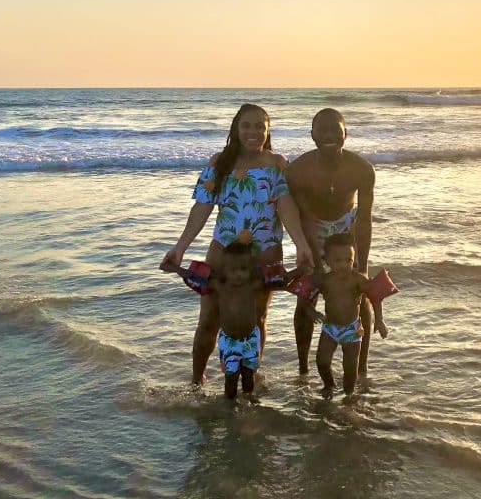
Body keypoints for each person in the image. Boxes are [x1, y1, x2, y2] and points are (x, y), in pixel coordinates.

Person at [160, 103, 313, 387]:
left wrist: (301, 244)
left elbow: (286, 206)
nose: (253, 131)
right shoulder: (220, 163)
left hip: (266, 248)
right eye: (246, 125)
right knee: (209, 316)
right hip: (224, 249)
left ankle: (249, 378)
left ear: (267, 131)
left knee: (257, 318)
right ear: (235, 129)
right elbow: (202, 207)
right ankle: (196, 381)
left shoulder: (276, 163)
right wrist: (180, 247)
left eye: (259, 126)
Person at [286, 108, 376, 375]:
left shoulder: (361, 169)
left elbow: (364, 219)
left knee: (359, 290)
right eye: (321, 130)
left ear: (345, 133)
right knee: (307, 293)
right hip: (313, 224)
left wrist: (363, 263)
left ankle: (361, 366)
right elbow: (305, 220)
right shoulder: (298, 170)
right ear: (311, 135)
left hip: (348, 222)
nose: (329, 135)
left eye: (335, 130)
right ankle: (303, 368)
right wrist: (313, 261)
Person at [309, 233, 387, 396]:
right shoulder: (325, 280)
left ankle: (349, 394)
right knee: (322, 361)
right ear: (327, 261)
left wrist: (379, 320)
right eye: (337, 261)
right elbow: (307, 296)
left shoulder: (357, 280)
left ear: (353, 259)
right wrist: (311, 310)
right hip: (330, 327)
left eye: (348, 260)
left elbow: (375, 297)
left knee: (350, 367)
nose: (344, 265)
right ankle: (329, 385)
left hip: (352, 329)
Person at [207, 242, 267, 399]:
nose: (238, 274)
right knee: (230, 377)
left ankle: (249, 402)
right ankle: (229, 406)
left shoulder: (253, 286)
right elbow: (193, 277)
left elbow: (280, 279)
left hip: (251, 338)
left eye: (243, 269)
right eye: (233, 270)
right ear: (224, 270)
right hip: (229, 341)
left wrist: (300, 271)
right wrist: (175, 268)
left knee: (249, 375)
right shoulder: (220, 287)